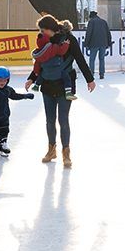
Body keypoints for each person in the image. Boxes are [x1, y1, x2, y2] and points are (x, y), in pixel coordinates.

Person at [25, 15, 95, 167]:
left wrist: (90, 79)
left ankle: (66, 153)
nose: (42, 33)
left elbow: (80, 59)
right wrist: (31, 78)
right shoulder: (46, 41)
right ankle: (51, 150)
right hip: (48, 85)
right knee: (50, 120)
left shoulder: (69, 39)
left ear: (51, 29)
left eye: (43, 30)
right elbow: (40, 62)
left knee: (63, 119)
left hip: (65, 85)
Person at [82, 9, 112, 80]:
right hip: (103, 43)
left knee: (92, 59)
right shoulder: (103, 21)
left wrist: (86, 43)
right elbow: (108, 33)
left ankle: (91, 74)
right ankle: (102, 74)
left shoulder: (91, 22)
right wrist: (109, 43)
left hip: (94, 43)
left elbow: (88, 33)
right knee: (102, 59)